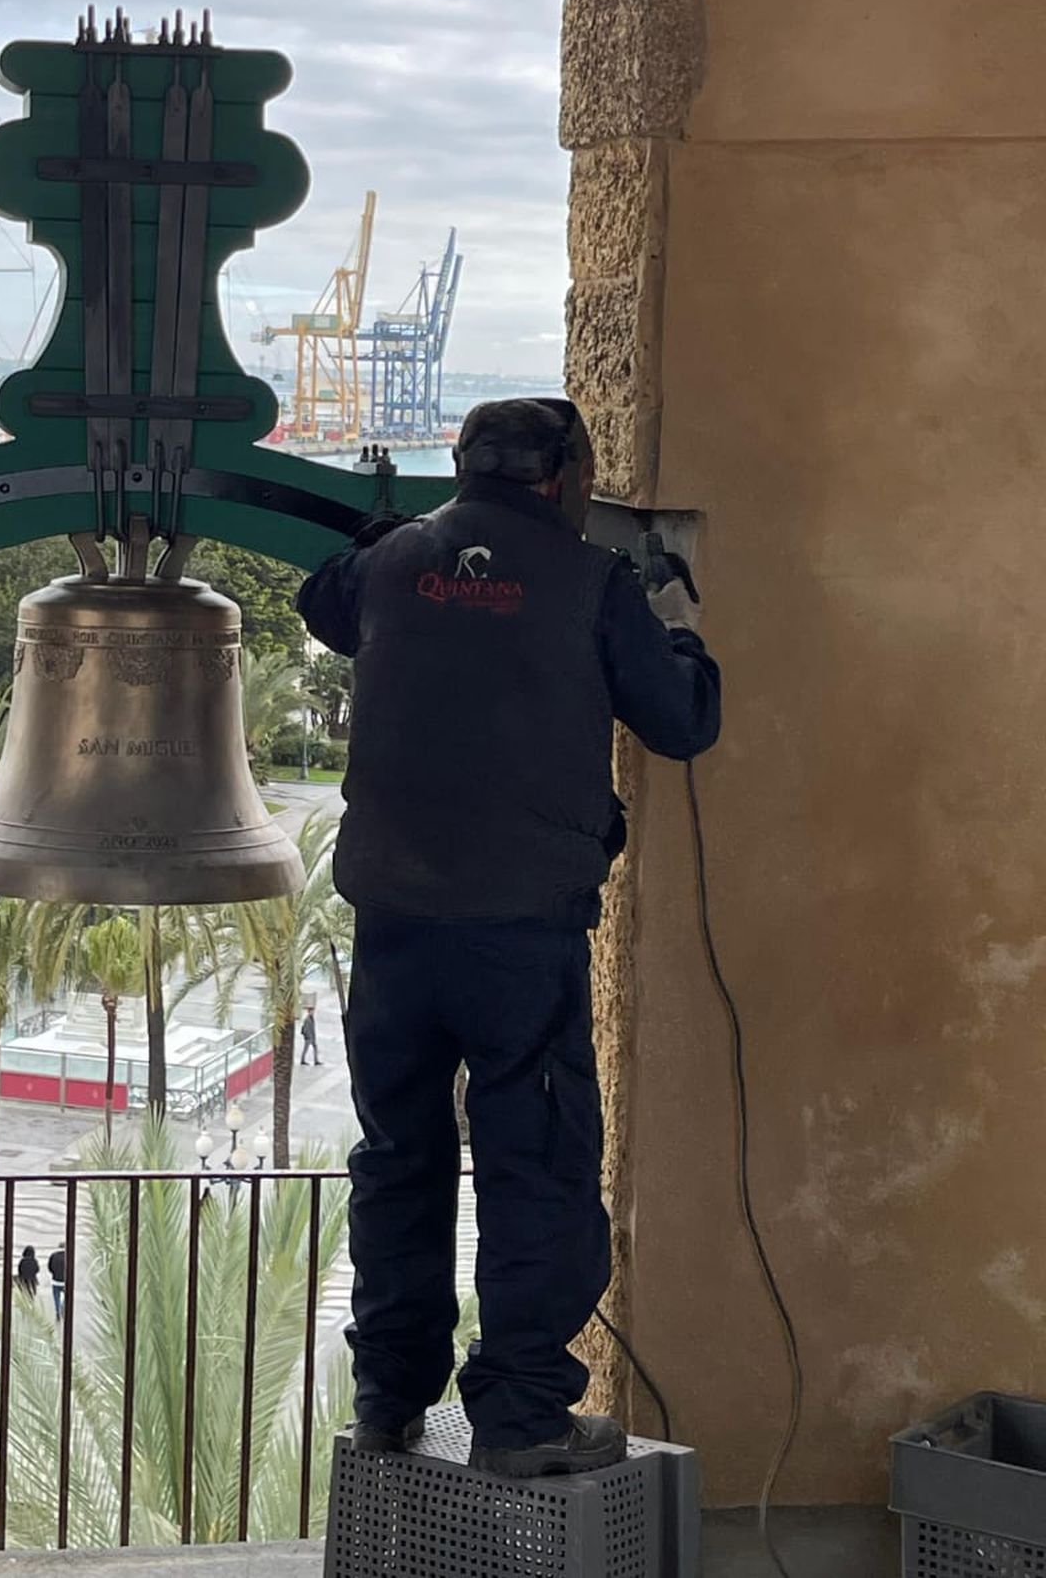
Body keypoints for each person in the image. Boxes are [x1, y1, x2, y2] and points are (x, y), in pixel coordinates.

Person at [296, 397, 720, 1479]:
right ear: (570, 477)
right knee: (535, 1164)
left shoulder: (392, 564)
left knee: (398, 1158)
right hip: (517, 934)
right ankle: (522, 1414)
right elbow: (681, 722)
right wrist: (676, 625)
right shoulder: (591, 584)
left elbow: (322, 602)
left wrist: (390, 537)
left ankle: (388, 1400)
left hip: (392, 929)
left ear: (463, 465)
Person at [47, 1245, 66, 1323]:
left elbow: (50, 1267)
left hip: (55, 1281)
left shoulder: (53, 1256)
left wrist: (54, 1273)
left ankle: (57, 1311)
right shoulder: (68, 1256)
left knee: (56, 1297)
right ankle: (62, 1307)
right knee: (66, 1297)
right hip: (65, 1281)